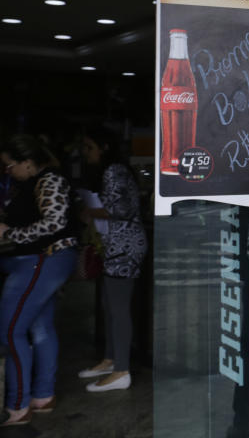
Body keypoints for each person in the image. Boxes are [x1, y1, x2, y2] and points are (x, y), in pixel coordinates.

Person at [0, 135, 79, 426]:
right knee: (40, 326)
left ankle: (17, 406)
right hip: (43, 260)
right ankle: (42, 396)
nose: (8, 171)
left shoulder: (48, 180)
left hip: (42, 259)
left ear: (28, 163)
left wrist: (9, 233)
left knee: (10, 331)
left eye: (10, 166)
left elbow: (54, 223)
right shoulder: (40, 181)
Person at [75, 126, 148, 393]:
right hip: (119, 245)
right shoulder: (116, 170)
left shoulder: (113, 171)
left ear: (103, 148)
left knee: (117, 309)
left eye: (89, 147)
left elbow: (120, 209)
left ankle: (121, 370)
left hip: (123, 246)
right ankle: (111, 360)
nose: (85, 153)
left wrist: (89, 210)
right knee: (109, 305)